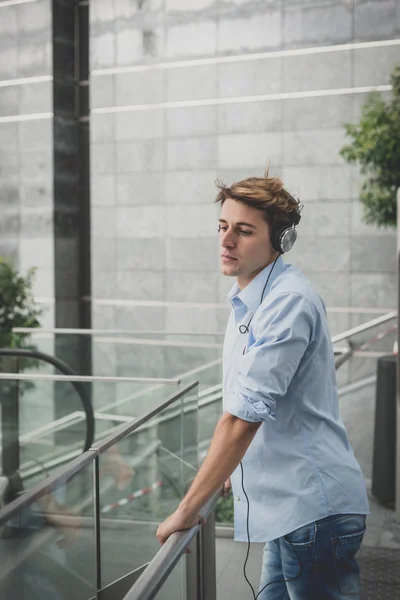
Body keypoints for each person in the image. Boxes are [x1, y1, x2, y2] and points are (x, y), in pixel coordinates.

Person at [156, 171, 370, 599]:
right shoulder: (251, 300)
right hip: (293, 513)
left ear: (281, 240)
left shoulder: (287, 304)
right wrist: (227, 470)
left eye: (244, 230)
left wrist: (186, 510)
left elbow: (242, 419)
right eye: (222, 227)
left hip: (313, 514)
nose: (226, 240)